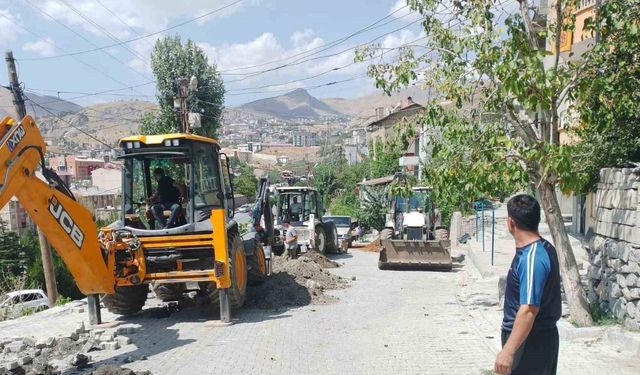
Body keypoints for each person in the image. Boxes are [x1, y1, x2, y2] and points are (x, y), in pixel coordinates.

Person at [494, 194, 561, 375]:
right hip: (534, 338)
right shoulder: (542, 248)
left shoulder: (533, 258)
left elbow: (529, 309)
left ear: (511, 223)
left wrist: (508, 352)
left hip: (531, 341)